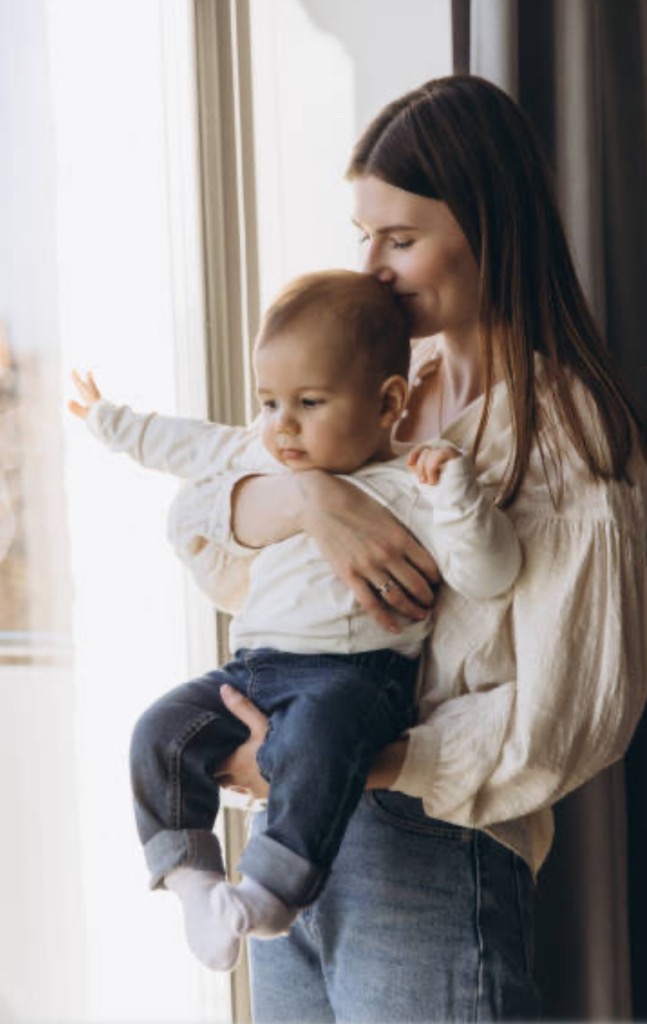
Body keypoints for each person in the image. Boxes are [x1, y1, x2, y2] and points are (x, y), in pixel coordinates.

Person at [176, 75, 647, 1022]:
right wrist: (310, 498)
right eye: (365, 237)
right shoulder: (378, 385)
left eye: (402, 238)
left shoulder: (564, 436)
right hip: (294, 838)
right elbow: (198, 521)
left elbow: (575, 715)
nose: (375, 267)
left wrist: (344, 760)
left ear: (489, 225)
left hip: (431, 848)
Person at [68, 269, 522, 973]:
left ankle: (273, 893)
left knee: (316, 740)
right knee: (158, 732)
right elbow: (189, 446)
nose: (281, 425)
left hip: (354, 678)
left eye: (308, 403)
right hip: (251, 668)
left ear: (388, 402)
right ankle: (195, 886)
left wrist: (459, 493)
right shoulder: (268, 459)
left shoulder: (416, 480)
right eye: (269, 402)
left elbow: (491, 574)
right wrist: (110, 421)